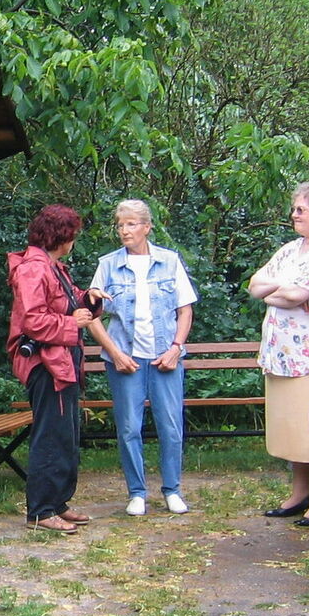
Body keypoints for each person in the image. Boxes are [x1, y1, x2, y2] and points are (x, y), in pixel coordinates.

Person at [248, 181, 309, 527]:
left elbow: (298, 294)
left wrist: (280, 291)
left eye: (301, 209)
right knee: (290, 428)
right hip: (280, 353)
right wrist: (281, 289)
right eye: (294, 209)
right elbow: (255, 285)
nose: (294, 215)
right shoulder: (291, 250)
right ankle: (298, 493)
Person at [89, 200, 198, 516]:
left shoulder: (169, 261)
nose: (124, 230)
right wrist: (114, 353)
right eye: (121, 224)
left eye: (132, 224)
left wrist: (176, 348)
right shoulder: (108, 265)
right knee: (129, 428)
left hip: (165, 358)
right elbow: (92, 314)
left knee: (171, 426)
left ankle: (172, 490)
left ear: (147, 227)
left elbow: (185, 309)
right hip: (126, 360)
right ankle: (136, 493)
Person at [7, 205, 109, 535]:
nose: (74, 242)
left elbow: (66, 301)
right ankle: (39, 510)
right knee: (50, 436)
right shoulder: (34, 269)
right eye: (73, 236)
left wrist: (88, 298)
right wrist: (71, 323)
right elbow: (33, 320)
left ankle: (58, 502)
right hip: (45, 364)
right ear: (61, 237)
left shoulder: (51, 267)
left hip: (62, 362)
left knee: (66, 435)